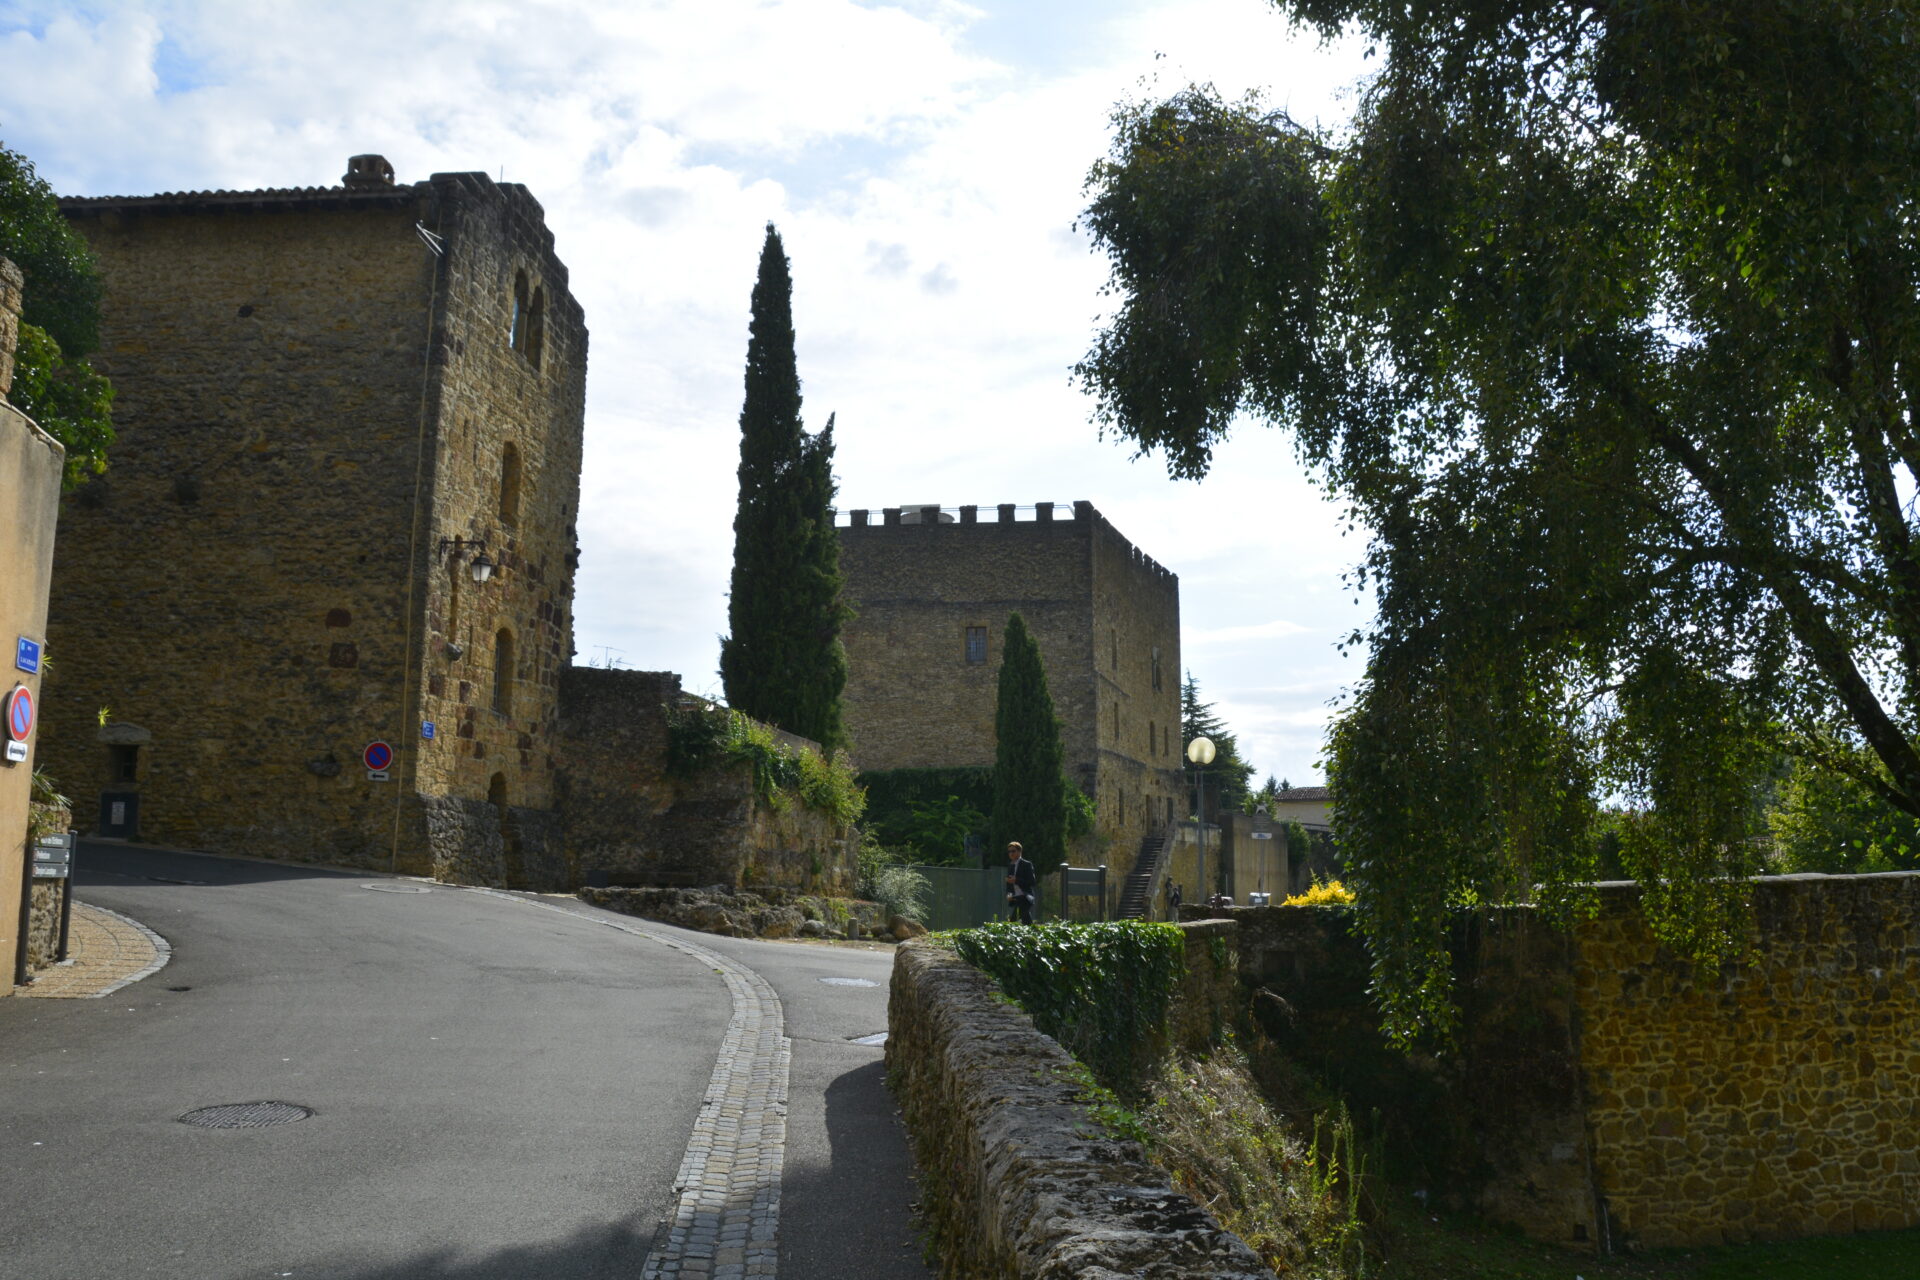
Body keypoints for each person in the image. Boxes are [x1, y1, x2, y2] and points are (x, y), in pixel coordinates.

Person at [1004, 841, 1037, 925]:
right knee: (1027, 922)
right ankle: (1034, 936)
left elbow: (1032, 882)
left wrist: (1016, 880)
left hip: (1025, 898)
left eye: (1013, 851)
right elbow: (1009, 884)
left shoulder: (1026, 864)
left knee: (1012, 922)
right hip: (1016, 898)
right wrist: (1009, 894)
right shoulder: (1010, 865)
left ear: (1019, 852)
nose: (1011, 853)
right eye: (1009, 851)